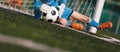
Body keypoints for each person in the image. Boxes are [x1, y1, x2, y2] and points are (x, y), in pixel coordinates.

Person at [34, 0, 112, 30]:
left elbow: (63, 1)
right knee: (62, 21)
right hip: (54, 17)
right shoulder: (38, 1)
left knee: (85, 19)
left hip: (62, 10)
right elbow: (36, 14)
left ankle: (99, 26)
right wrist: (40, 8)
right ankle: (72, 24)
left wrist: (62, 6)